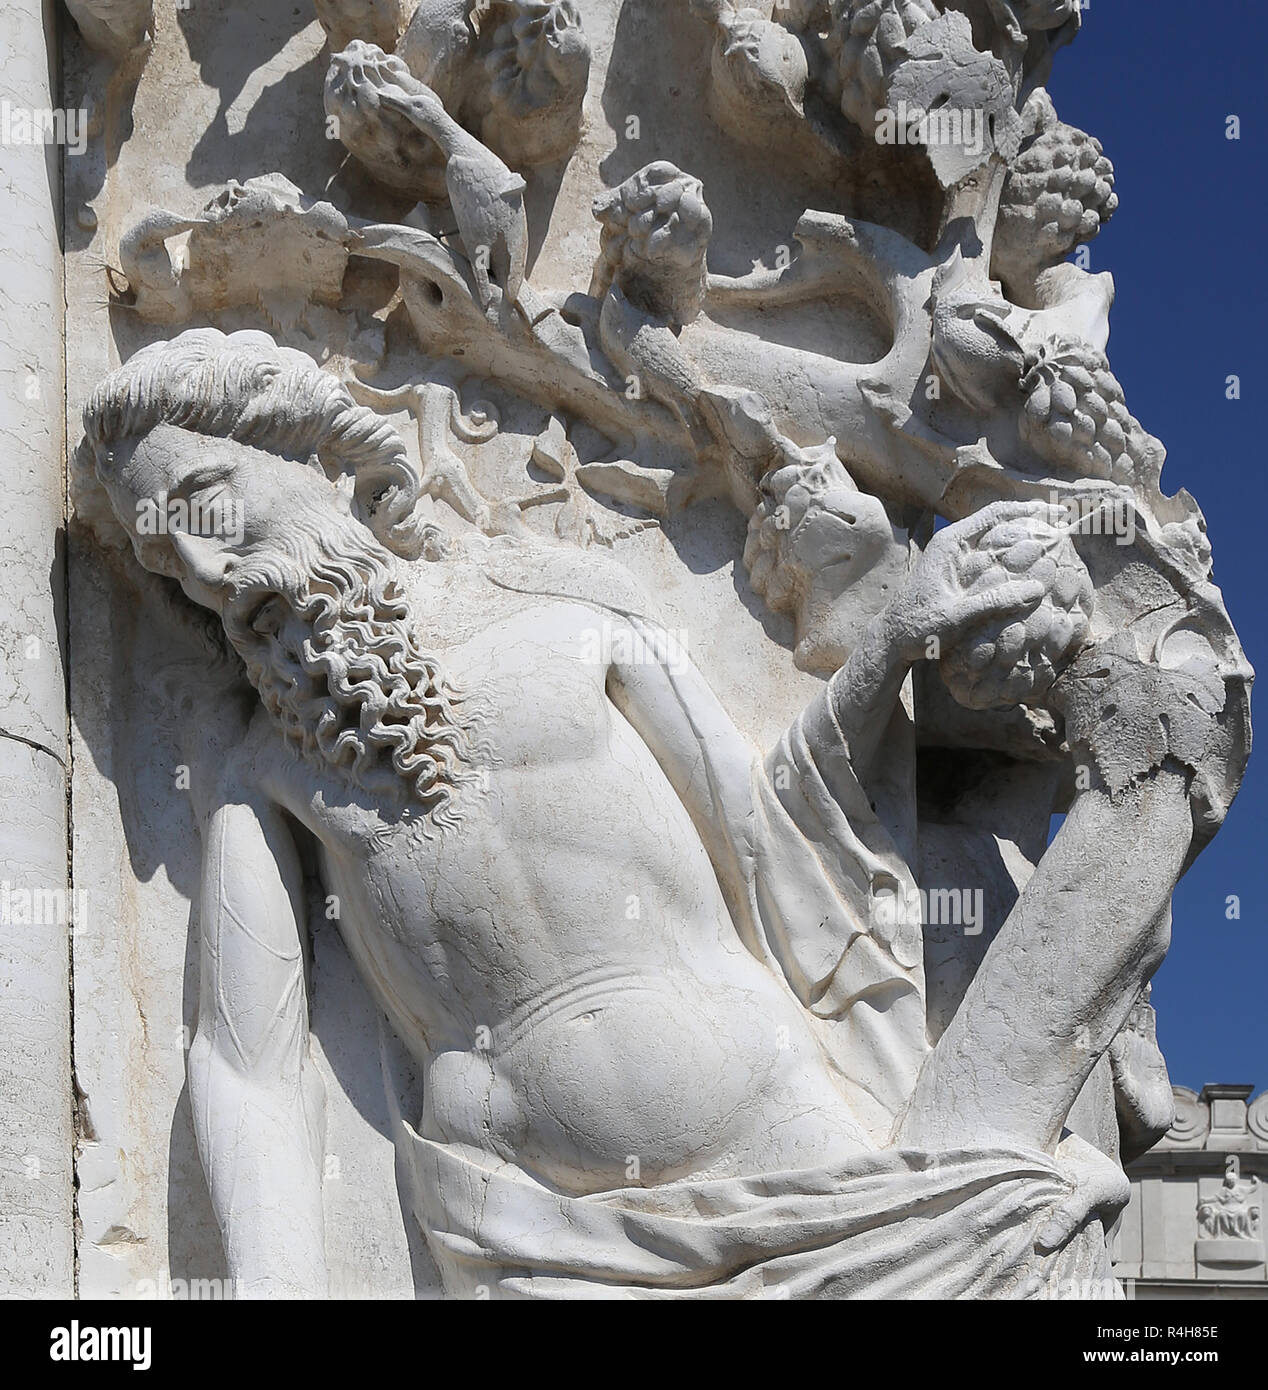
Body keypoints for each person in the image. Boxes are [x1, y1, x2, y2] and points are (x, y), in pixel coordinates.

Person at [77, 328, 1194, 1297]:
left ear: (310, 451)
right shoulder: (266, 775)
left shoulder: (565, 602)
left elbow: (767, 828)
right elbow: (243, 1063)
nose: (200, 564)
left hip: (780, 1152)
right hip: (531, 1243)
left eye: (201, 505)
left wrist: (896, 636)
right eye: (159, 555)